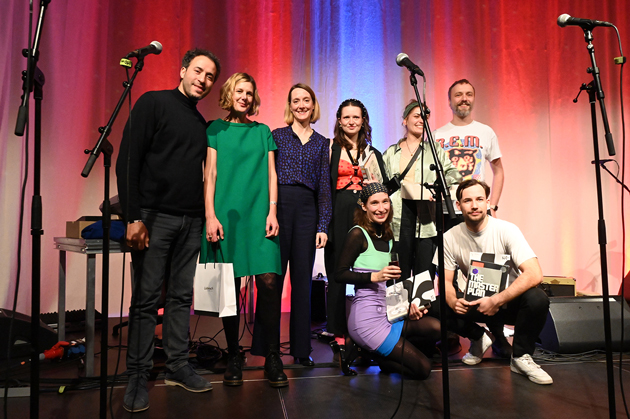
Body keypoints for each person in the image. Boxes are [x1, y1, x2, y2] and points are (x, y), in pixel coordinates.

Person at [116, 48, 221, 413]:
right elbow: (127, 159)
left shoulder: (199, 122)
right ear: (182, 70)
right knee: (146, 301)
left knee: (179, 299)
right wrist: (133, 217)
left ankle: (177, 366)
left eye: (209, 76)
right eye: (198, 71)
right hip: (153, 217)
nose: (203, 80)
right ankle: (137, 375)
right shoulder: (153, 103)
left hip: (190, 220)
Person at [201, 72, 286, 388]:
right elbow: (209, 175)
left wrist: (273, 211)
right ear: (229, 93)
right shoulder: (215, 129)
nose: (245, 97)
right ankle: (234, 353)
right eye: (240, 91)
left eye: (250, 92)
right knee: (229, 290)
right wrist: (210, 215)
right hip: (227, 216)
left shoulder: (263, 131)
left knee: (268, 284)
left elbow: (271, 174)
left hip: (259, 216)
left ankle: (272, 356)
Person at [435, 179, 552, 385]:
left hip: (509, 302)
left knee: (537, 298)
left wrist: (497, 300)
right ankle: (479, 337)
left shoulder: (507, 230)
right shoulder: (449, 237)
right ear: (458, 205)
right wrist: (453, 301)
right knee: (436, 306)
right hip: (476, 301)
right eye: (468, 200)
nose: (474, 205)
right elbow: (445, 280)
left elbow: (534, 274)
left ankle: (521, 357)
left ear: (488, 203)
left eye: (480, 199)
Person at [254, 83, 331, 367]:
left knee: (302, 282)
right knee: (271, 280)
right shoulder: (277, 136)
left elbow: (324, 188)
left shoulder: (323, 142)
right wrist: (266, 213)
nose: (301, 105)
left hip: (307, 211)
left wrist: (323, 225)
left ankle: (301, 349)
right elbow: (266, 179)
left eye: (306, 100)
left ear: (313, 105)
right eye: (295, 100)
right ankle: (266, 348)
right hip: (278, 207)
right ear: (290, 105)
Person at [433, 79, 508, 356]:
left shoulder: (485, 132)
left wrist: (493, 206)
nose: (463, 99)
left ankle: (497, 337)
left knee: (486, 276)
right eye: (457, 95)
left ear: (473, 99)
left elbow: (498, 170)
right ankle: (455, 335)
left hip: (479, 213)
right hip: (447, 212)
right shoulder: (438, 134)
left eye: (468, 95)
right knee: (448, 276)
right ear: (449, 100)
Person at [335, 183, 441, 378]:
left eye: (385, 202)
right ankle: (371, 352)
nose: (381, 208)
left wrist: (406, 308)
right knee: (424, 369)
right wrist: (373, 276)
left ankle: (375, 353)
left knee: (436, 328)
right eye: (374, 203)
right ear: (364, 206)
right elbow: (339, 274)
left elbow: (390, 283)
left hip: (388, 312)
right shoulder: (358, 234)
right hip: (367, 320)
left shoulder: (387, 236)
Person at [324, 98, 387, 353]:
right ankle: (338, 330)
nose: (351, 121)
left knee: (365, 269)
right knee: (337, 270)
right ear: (339, 121)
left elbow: (382, 189)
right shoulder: (330, 148)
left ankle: (371, 323)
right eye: (346, 117)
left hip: (364, 216)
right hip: (338, 212)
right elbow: (324, 188)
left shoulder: (372, 153)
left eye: (356, 117)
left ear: (364, 121)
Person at [383, 100, 461, 281]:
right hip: (397, 219)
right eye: (416, 116)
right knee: (398, 276)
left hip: (426, 220)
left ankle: (422, 308)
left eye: (425, 117)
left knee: (424, 276)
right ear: (405, 120)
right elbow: (382, 185)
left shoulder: (434, 150)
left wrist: (437, 189)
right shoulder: (391, 153)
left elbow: (453, 174)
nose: (421, 121)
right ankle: (401, 310)